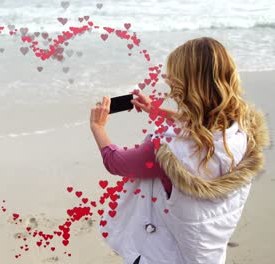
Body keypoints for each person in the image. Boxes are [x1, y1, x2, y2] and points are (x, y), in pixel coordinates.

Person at [90, 37, 270, 264]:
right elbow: (200, 127)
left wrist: (98, 127)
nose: (168, 80)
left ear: (185, 85)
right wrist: (156, 110)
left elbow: (114, 161)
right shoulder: (240, 132)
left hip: (163, 255)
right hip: (207, 252)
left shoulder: (164, 153)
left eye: (173, 76)